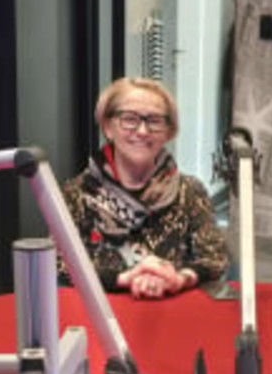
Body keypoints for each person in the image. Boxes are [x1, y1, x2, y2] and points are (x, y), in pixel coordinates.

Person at [59, 77, 229, 299]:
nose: (142, 131)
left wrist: (179, 279)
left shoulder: (190, 191)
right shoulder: (77, 192)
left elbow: (214, 259)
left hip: (171, 309)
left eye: (154, 121)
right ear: (107, 127)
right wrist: (124, 278)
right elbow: (61, 263)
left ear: (169, 131)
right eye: (129, 119)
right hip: (102, 312)